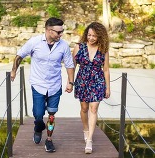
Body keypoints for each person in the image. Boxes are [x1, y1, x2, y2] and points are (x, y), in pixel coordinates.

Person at [11, 17, 74, 153]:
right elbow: (20, 55)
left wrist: (70, 82)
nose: (61, 34)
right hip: (38, 84)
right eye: (58, 32)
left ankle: (49, 140)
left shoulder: (63, 45)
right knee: (38, 114)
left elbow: (69, 64)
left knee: (51, 115)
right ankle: (38, 127)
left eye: (62, 31)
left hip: (55, 86)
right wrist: (14, 71)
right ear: (48, 30)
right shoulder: (35, 42)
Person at [73, 22, 110, 154]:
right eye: (89, 35)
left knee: (93, 109)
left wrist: (107, 88)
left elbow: (106, 70)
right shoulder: (79, 47)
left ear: (100, 36)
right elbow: (72, 66)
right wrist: (70, 82)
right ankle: (85, 129)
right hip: (82, 81)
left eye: (94, 35)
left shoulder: (103, 49)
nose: (91, 38)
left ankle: (89, 140)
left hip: (97, 81)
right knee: (84, 108)